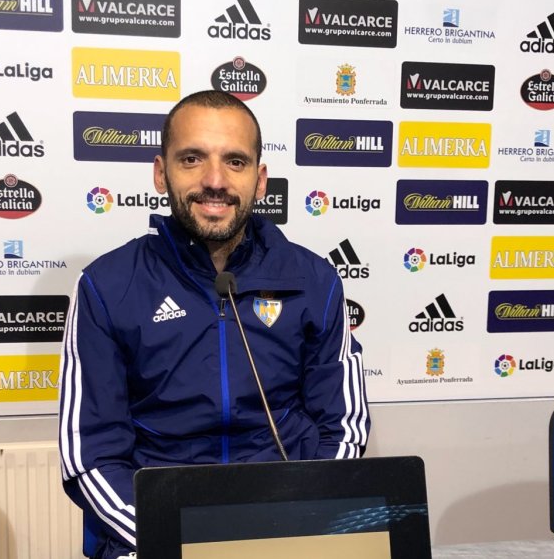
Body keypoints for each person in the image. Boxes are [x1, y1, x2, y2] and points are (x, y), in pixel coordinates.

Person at [58, 90, 371, 559]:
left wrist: (301, 521)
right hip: (154, 534)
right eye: (192, 159)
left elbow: (343, 427)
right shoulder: (106, 286)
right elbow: (89, 456)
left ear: (260, 180)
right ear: (161, 173)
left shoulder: (315, 280)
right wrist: (174, 538)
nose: (215, 180)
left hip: (287, 528)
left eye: (236, 162)